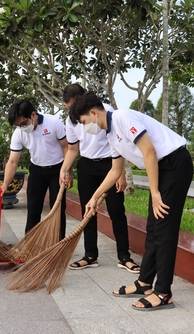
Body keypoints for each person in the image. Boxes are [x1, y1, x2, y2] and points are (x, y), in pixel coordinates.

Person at [69, 92, 193, 311]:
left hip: (175, 164)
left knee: (164, 228)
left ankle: (163, 292)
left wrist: (154, 192)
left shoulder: (122, 117)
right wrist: (94, 197)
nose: (84, 128)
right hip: (162, 168)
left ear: (94, 112)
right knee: (154, 228)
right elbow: (115, 171)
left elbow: (149, 151)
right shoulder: (110, 135)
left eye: (84, 122)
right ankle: (144, 282)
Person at [60, 84, 140, 273]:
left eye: (72, 106)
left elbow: (119, 144)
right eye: (68, 108)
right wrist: (65, 170)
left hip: (110, 165)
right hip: (87, 166)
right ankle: (90, 255)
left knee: (116, 210)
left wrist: (120, 174)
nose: (71, 112)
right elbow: (72, 149)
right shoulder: (71, 120)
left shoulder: (106, 112)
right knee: (88, 210)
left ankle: (124, 256)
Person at [0, 99, 68, 239]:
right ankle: (30, 245)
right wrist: (5, 184)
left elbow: (67, 146)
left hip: (57, 169)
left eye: (24, 123)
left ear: (33, 115)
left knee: (57, 209)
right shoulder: (19, 133)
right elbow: (12, 161)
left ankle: (58, 245)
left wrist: (66, 171)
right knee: (33, 210)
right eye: (19, 125)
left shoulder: (53, 123)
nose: (23, 128)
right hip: (37, 170)